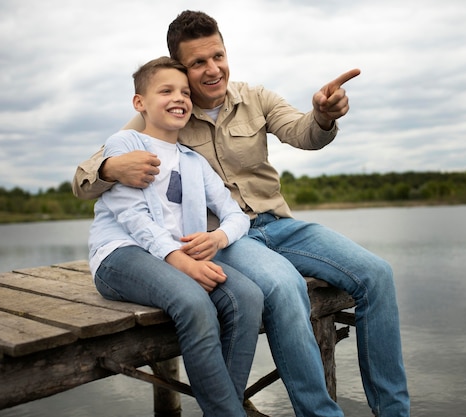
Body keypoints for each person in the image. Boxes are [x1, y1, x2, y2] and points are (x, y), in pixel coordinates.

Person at [75, 10, 410, 417]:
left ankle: (394, 411)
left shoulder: (256, 97)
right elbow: (86, 177)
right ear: (182, 68)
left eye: (218, 55)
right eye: (198, 62)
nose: (213, 68)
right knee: (287, 287)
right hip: (226, 239)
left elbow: (303, 133)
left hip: (279, 224)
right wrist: (111, 168)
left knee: (377, 275)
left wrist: (323, 115)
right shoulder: (165, 112)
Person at [88, 56, 263, 417]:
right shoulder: (125, 144)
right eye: (166, 90)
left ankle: (225, 408)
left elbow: (235, 214)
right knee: (194, 302)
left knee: (247, 296)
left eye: (185, 92)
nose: (179, 98)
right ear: (140, 104)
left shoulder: (193, 161)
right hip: (121, 254)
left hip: (177, 258)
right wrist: (180, 261)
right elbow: (132, 217)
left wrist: (218, 239)